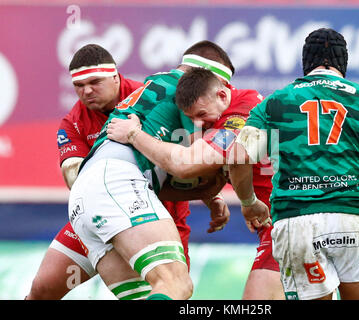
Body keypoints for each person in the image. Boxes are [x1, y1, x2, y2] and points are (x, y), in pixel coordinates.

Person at [228, 28, 359, 300]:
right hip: (352, 219)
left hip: (297, 223)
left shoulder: (274, 103)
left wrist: (248, 203)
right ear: (344, 64)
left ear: (306, 63)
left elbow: (237, 157)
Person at [26, 44, 217, 300]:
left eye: (94, 81)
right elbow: (76, 178)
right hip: (110, 204)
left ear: (116, 76)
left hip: (156, 209)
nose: (87, 91)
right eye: (79, 86)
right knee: (43, 289)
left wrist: (209, 195)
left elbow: (185, 156)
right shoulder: (72, 123)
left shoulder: (148, 94)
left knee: (164, 289)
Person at [67, 41, 238, 300]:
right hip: (119, 181)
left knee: (150, 292)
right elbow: (191, 166)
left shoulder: (155, 85)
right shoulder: (188, 93)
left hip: (84, 196)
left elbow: (175, 173)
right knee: (176, 284)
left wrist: (210, 196)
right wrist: (217, 184)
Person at [106, 68, 283, 299]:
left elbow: (185, 165)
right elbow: (220, 174)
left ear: (221, 95)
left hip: (286, 219)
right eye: (191, 118)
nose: (198, 123)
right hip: (280, 220)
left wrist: (133, 135)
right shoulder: (219, 118)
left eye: (201, 113)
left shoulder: (240, 114)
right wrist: (214, 198)